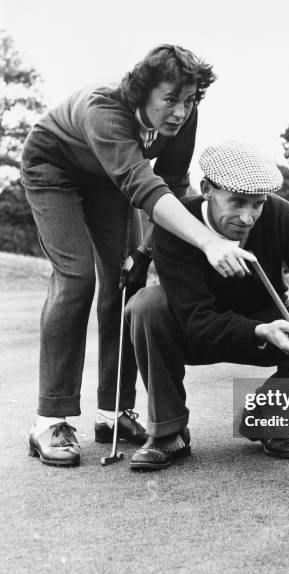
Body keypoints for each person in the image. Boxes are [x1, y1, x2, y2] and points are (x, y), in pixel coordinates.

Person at [22, 46, 256, 467]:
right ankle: (48, 421)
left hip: (108, 181)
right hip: (53, 169)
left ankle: (114, 413)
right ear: (141, 92)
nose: (181, 111)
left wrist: (144, 251)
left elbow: (170, 181)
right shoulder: (104, 108)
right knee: (77, 278)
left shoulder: (182, 116)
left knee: (124, 280)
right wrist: (209, 240)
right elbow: (141, 185)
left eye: (190, 100)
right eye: (171, 99)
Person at [125, 141, 289, 470]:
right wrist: (261, 331)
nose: (247, 217)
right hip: (195, 331)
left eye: (257, 204)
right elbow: (199, 321)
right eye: (237, 201)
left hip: (268, 324)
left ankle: (268, 419)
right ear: (207, 189)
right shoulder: (173, 226)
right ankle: (169, 431)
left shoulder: (279, 214)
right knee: (146, 306)